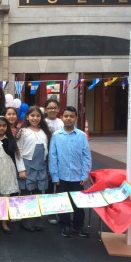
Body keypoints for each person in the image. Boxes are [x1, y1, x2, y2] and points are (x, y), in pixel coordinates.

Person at [48, 106, 92, 238]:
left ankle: (78, 226)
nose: (68, 119)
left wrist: (85, 174)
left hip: (77, 177)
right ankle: (65, 225)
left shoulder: (82, 136)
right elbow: (53, 156)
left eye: (71, 116)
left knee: (79, 203)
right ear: (62, 118)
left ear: (76, 118)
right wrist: (54, 176)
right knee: (63, 203)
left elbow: (86, 156)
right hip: (61, 177)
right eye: (66, 116)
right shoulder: (56, 136)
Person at [0, 116, 25, 233]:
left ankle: (4, 221)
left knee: (5, 195)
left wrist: (21, 170)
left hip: (7, 169)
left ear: (7, 127)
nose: (1, 128)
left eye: (4, 125)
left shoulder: (10, 140)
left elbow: (16, 156)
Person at [16, 106, 52, 232]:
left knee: (37, 194)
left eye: (38, 116)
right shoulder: (23, 131)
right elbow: (18, 151)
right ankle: (24, 219)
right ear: (27, 117)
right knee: (26, 193)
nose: (35, 118)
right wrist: (21, 169)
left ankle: (37, 218)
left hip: (41, 166)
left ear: (41, 117)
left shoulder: (44, 132)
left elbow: (47, 151)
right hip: (27, 166)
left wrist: (47, 168)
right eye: (32, 116)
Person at [44, 98, 64, 224]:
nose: (52, 110)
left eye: (55, 108)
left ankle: (62, 211)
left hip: (60, 157)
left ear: (58, 109)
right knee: (49, 186)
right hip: (46, 158)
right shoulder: (42, 122)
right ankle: (50, 213)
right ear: (46, 109)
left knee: (61, 185)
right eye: (50, 108)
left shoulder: (62, 122)